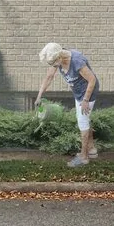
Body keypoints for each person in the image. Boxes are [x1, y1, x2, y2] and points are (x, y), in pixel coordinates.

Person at [36, 40, 101, 168]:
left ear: (59, 57)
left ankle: (84, 157)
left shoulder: (76, 61)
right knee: (85, 119)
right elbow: (49, 77)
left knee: (82, 122)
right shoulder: (58, 58)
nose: (53, 66)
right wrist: (39, 96)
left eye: (53, 62)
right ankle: (92, 149)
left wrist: (85, 100)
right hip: (78, 93)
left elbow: (92, 80)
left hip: (88, 93)